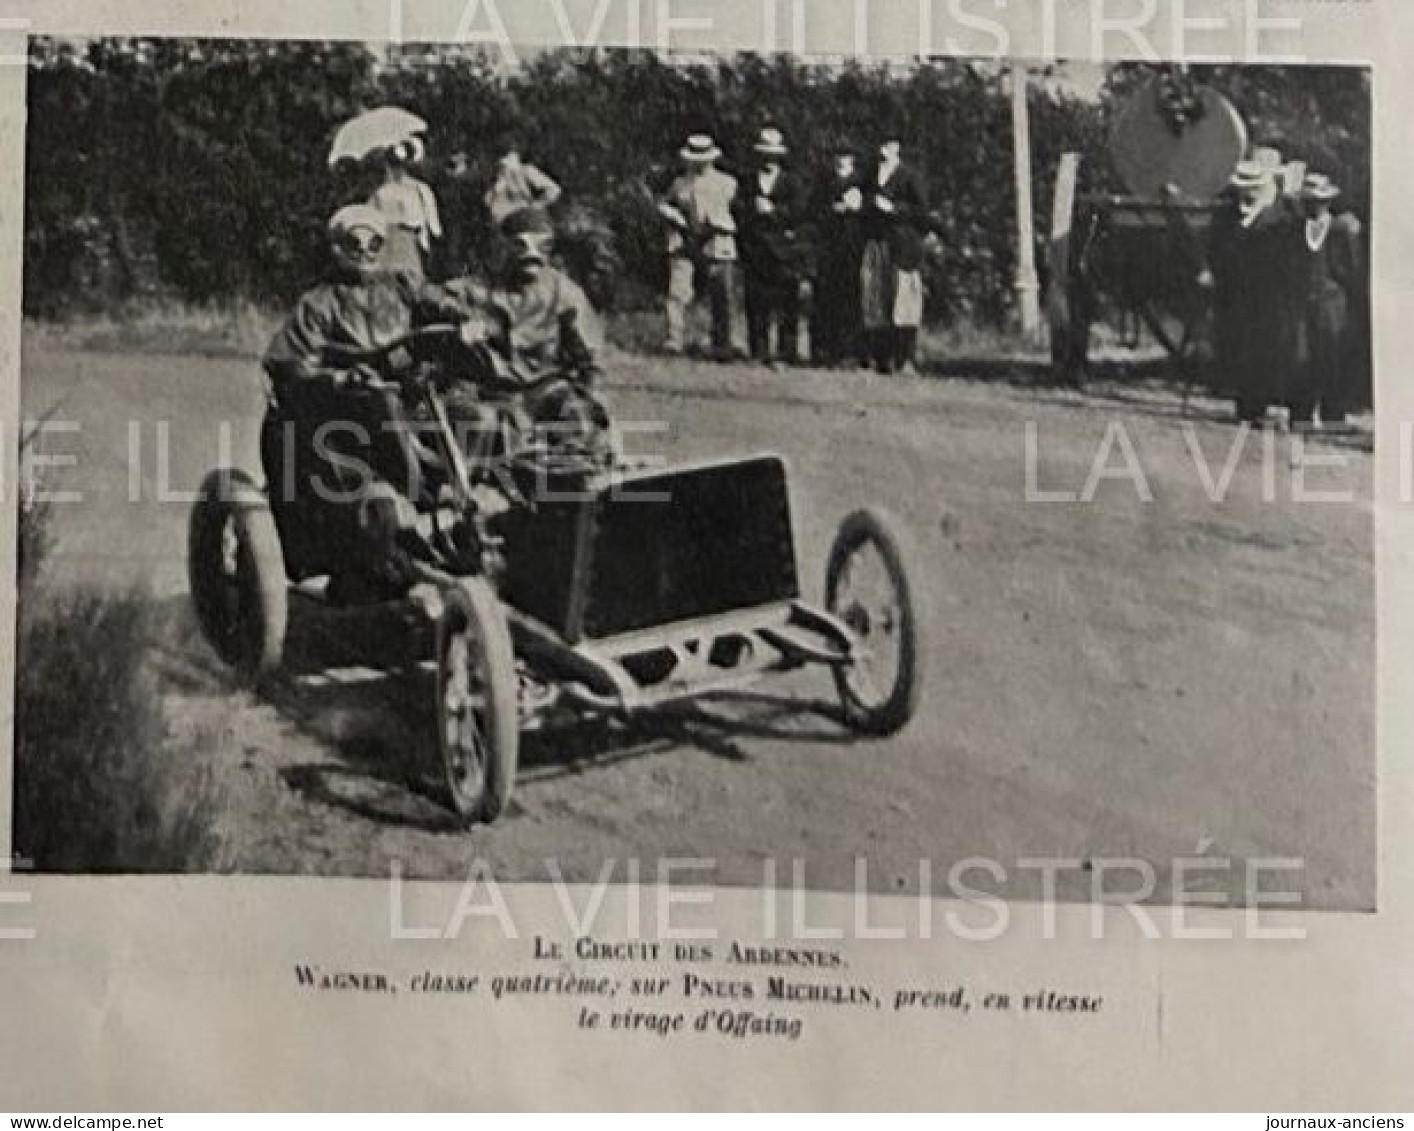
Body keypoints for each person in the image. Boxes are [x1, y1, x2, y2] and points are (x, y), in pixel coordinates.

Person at [261, 204, 454, 599]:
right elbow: (294, 366)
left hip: (405, 400)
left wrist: (464, 319)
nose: (365, 252)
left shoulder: (401, 289)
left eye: (374, 243)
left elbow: (440, 303)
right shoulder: (318, 304)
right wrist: (340, 378)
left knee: (466, 409)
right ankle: (411, 504)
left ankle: (460, 501)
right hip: (339, 414)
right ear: (337, 247)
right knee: (381, 403)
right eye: (355, 243)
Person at [1203, 154, 1303, 424]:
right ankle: (1247, 405)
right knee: (1240, 345)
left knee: (1269, 346)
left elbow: (1293, 252)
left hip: (1271, 292)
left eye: (1253, 185)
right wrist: (1215, 271)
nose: (1246, 191)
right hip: (1236, 290)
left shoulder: (1282, 214)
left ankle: (1269, 402)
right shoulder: (1226, 214)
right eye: (1243, 186)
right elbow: (1214, 247)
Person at [1288, 172, 1363, 428]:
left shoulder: (1341, 230)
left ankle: (1333, 416)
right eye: (1308, 201)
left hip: (1332, 303)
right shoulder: (1295, 229)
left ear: (1328, 202)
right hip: (1302, 302)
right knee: (1301, 357)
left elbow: (1353, 269)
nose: (1313, 206)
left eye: (1318, 201)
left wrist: (1342, 294)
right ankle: (1301, 415)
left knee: (1331, 356)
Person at [658, 132, 740, 359]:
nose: (698, 163)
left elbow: (733, 213)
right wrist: (673, 215)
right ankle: (674, 339)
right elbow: (666, 204)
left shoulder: (727, 183)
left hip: (716, 240)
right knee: (678, 291)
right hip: (685, 240)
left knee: (721, 293)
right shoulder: (680, 183)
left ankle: (721, 343)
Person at [737, 126, 805, 365]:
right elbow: (738, 210)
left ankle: (787, 352)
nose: (769, 158)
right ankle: (758, 350)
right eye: (765, 153)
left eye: (773, 153)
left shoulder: (792, 182)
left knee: (787, 304)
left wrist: (773, 211)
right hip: (755, 248)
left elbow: (799, 213)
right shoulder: (748, 180)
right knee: (756, 302)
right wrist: (751, 214)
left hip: (783, 250)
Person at [860, 133, 928, 374]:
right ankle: (880, 358)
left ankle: (905, 359)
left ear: (897, 148)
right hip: (876, 243)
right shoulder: (870, 175)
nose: (884, 150)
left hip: (902, 247)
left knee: (903, 302)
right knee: (875, 300)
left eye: (889, 145)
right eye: (881, 145)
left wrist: (894, 208)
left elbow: (922, 212)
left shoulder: (910, 176)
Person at [809, 144, 866, 367]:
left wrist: (857, 208)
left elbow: (869, 213)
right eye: (838, 157)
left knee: (850, 297)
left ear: (852, 160)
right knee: (826, 298)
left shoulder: (861, 182)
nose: (842, 161)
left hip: (852, 246)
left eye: (846, 156)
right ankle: (824, 350)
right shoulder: (824, 182)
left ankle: (849, 351)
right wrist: (832, 209)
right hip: (829, 246)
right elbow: (812, 211)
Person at [368, 136, 443, 283]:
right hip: (397, 248)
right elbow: (436, 229)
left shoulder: (382, 192)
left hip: (401, 248)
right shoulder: (382, 192)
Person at [484, 143, 563, 226]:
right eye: (502, 161)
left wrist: (539, 203)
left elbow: (555, 189)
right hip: (507, 224)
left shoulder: (527, 171)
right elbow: (490, 203)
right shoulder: (497, 177)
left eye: (508, 158)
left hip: (528, 220)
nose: (504, 163)